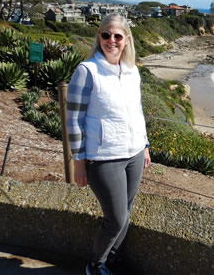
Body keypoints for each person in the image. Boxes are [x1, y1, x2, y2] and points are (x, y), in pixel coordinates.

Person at [66, 14, 151, 275]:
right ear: (99, 37)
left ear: (126, 40)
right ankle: (96, 264)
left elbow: (137, 111)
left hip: (134, 153)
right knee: (115, 220)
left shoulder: (132, 70)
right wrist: (79, 162)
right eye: (106, 35)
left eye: (117, 36)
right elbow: (72, 120)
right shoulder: (87, 71)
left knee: (125, 212)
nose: (111, 41)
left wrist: (145, 145)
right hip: (104, 158)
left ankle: (113, 257)